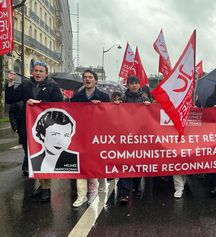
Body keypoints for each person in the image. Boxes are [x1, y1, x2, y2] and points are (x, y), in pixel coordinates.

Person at [5, 61, 64, 202]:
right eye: (36, 70)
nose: (37, 73)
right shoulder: (25, 85)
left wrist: (40, 104)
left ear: (46, 73)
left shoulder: (53, 86)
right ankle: (41, 185)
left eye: (41, 71)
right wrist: (10, 83)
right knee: (33, 156)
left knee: (44, 155)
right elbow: (10, 98)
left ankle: (46, 189)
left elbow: (58, 104)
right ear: (32, 72)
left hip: (47, 127)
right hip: (28, 126)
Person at [70, 69, 110, 207]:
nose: (87, 79)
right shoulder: (76, 97)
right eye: (85, 77)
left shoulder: (104, 97)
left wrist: (102, 107)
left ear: (95, 80)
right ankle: (81, 195)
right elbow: (71, 114)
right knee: (81, 164)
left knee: (98, 162)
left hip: (98, 135)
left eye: (90, 77)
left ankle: (102, 186)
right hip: (81, 135)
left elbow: (110, 116)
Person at [115, 76, 151, 204]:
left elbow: (151, 117)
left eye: (136, 83)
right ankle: (124, 193)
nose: (134, 85)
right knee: (125, 164)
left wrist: (149, 106)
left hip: (140, 137)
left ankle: (136, 186)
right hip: (126, 137)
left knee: (138, 163)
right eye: (131, 83)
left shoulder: (145, 99)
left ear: (139, 85)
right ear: (128, 85)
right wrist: (117, 105)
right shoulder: (123, 99)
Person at [8, 101, 26, 175]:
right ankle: (27, 167)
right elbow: (12, 114)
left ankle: (27, 167)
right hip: (21, 128)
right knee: (26, 147)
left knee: (30, 148)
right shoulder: (16, 99)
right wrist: (15, 127)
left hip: (32, 127)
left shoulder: (34, 94)